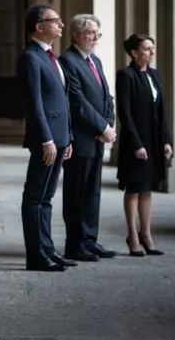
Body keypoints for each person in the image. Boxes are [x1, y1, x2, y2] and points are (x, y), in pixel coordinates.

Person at [18, 3, 74, 272]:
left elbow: (62, 101)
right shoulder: (31, 57)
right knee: (35, 197)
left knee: (47, 198)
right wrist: (46, 139)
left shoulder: (52, 57)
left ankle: (48, 249)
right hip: (46, 140)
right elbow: (34, 103)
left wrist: (68, 137)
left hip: (59, 137)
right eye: (55, 20)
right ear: (40, 27)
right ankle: (36, 255)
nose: (61, 25)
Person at [58, 14, 117, 261]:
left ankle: (90, 240)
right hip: (81, 139)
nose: (95, 38)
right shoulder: (67, 61)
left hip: (97, 138)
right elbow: (77, 102)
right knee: (77, 193)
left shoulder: (96, 60)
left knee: (92, 192)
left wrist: (109, 124)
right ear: (75, 35)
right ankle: (75, 244)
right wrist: (102, 127)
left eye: (97, 33)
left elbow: (106, 97)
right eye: (90, 33)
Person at [116, 34, 173, 256]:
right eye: (147, 48)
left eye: (153, 48)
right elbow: (125, 112)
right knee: (134, 187)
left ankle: (146, 235)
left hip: (154, 139)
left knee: (147, 187)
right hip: (135, 140)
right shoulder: (126, 75)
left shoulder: (155, 75)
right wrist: (136, 144)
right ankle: (132, 235)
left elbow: (162, 112)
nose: (152, 52)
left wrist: (166, 140)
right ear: (134, 53)